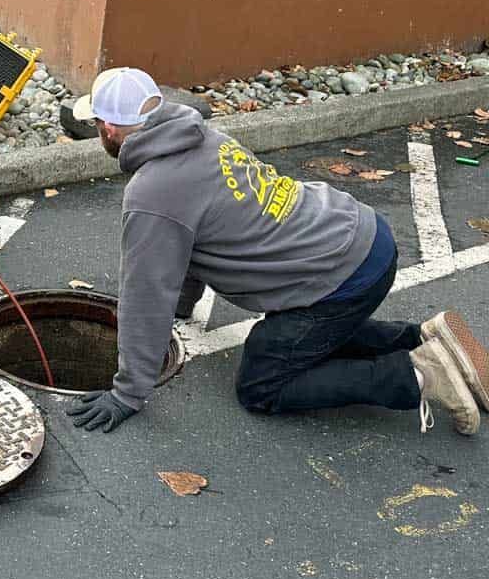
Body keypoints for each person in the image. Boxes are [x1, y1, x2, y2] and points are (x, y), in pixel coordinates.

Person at [63, 67, 489, 437]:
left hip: (342, 273)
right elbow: (184, 246)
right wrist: (183, 306)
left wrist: (128, 393)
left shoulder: (151, 192)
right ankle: (423, 337)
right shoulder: (203, 138)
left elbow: (145, 294)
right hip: (358, 233)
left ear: (108, 128)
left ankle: (420, 375)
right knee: (292, 337)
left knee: (262, 382)